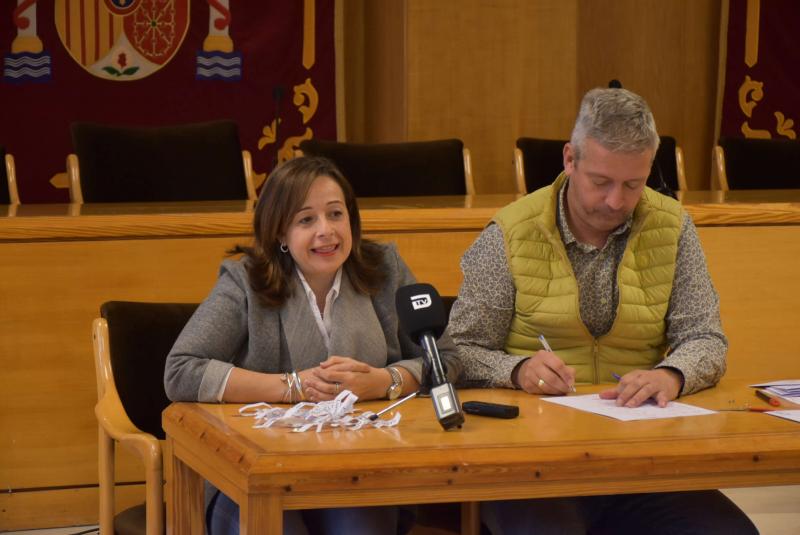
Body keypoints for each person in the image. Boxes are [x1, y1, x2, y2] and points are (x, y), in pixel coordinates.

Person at [448, 88, 757, 534]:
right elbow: (459, 350)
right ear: (569, 159)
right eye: (601, 182)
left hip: (639, 459)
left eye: (633, 185)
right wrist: (517, 370)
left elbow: (706, 338)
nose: (616, 201)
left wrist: (671, 374)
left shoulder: (672, 227)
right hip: (529, 464)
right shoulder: (511, 232)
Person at [164, 156, 461, 535]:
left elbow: (445, 357)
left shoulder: (384, 268)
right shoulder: (246, 281)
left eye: (336, 214)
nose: (327, 231)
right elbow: (180, 370)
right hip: (257, 473)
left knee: (361, 525)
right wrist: (292, 386)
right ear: (279, 234)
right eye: (306, 220)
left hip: (358, 472)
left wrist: (386, 381)